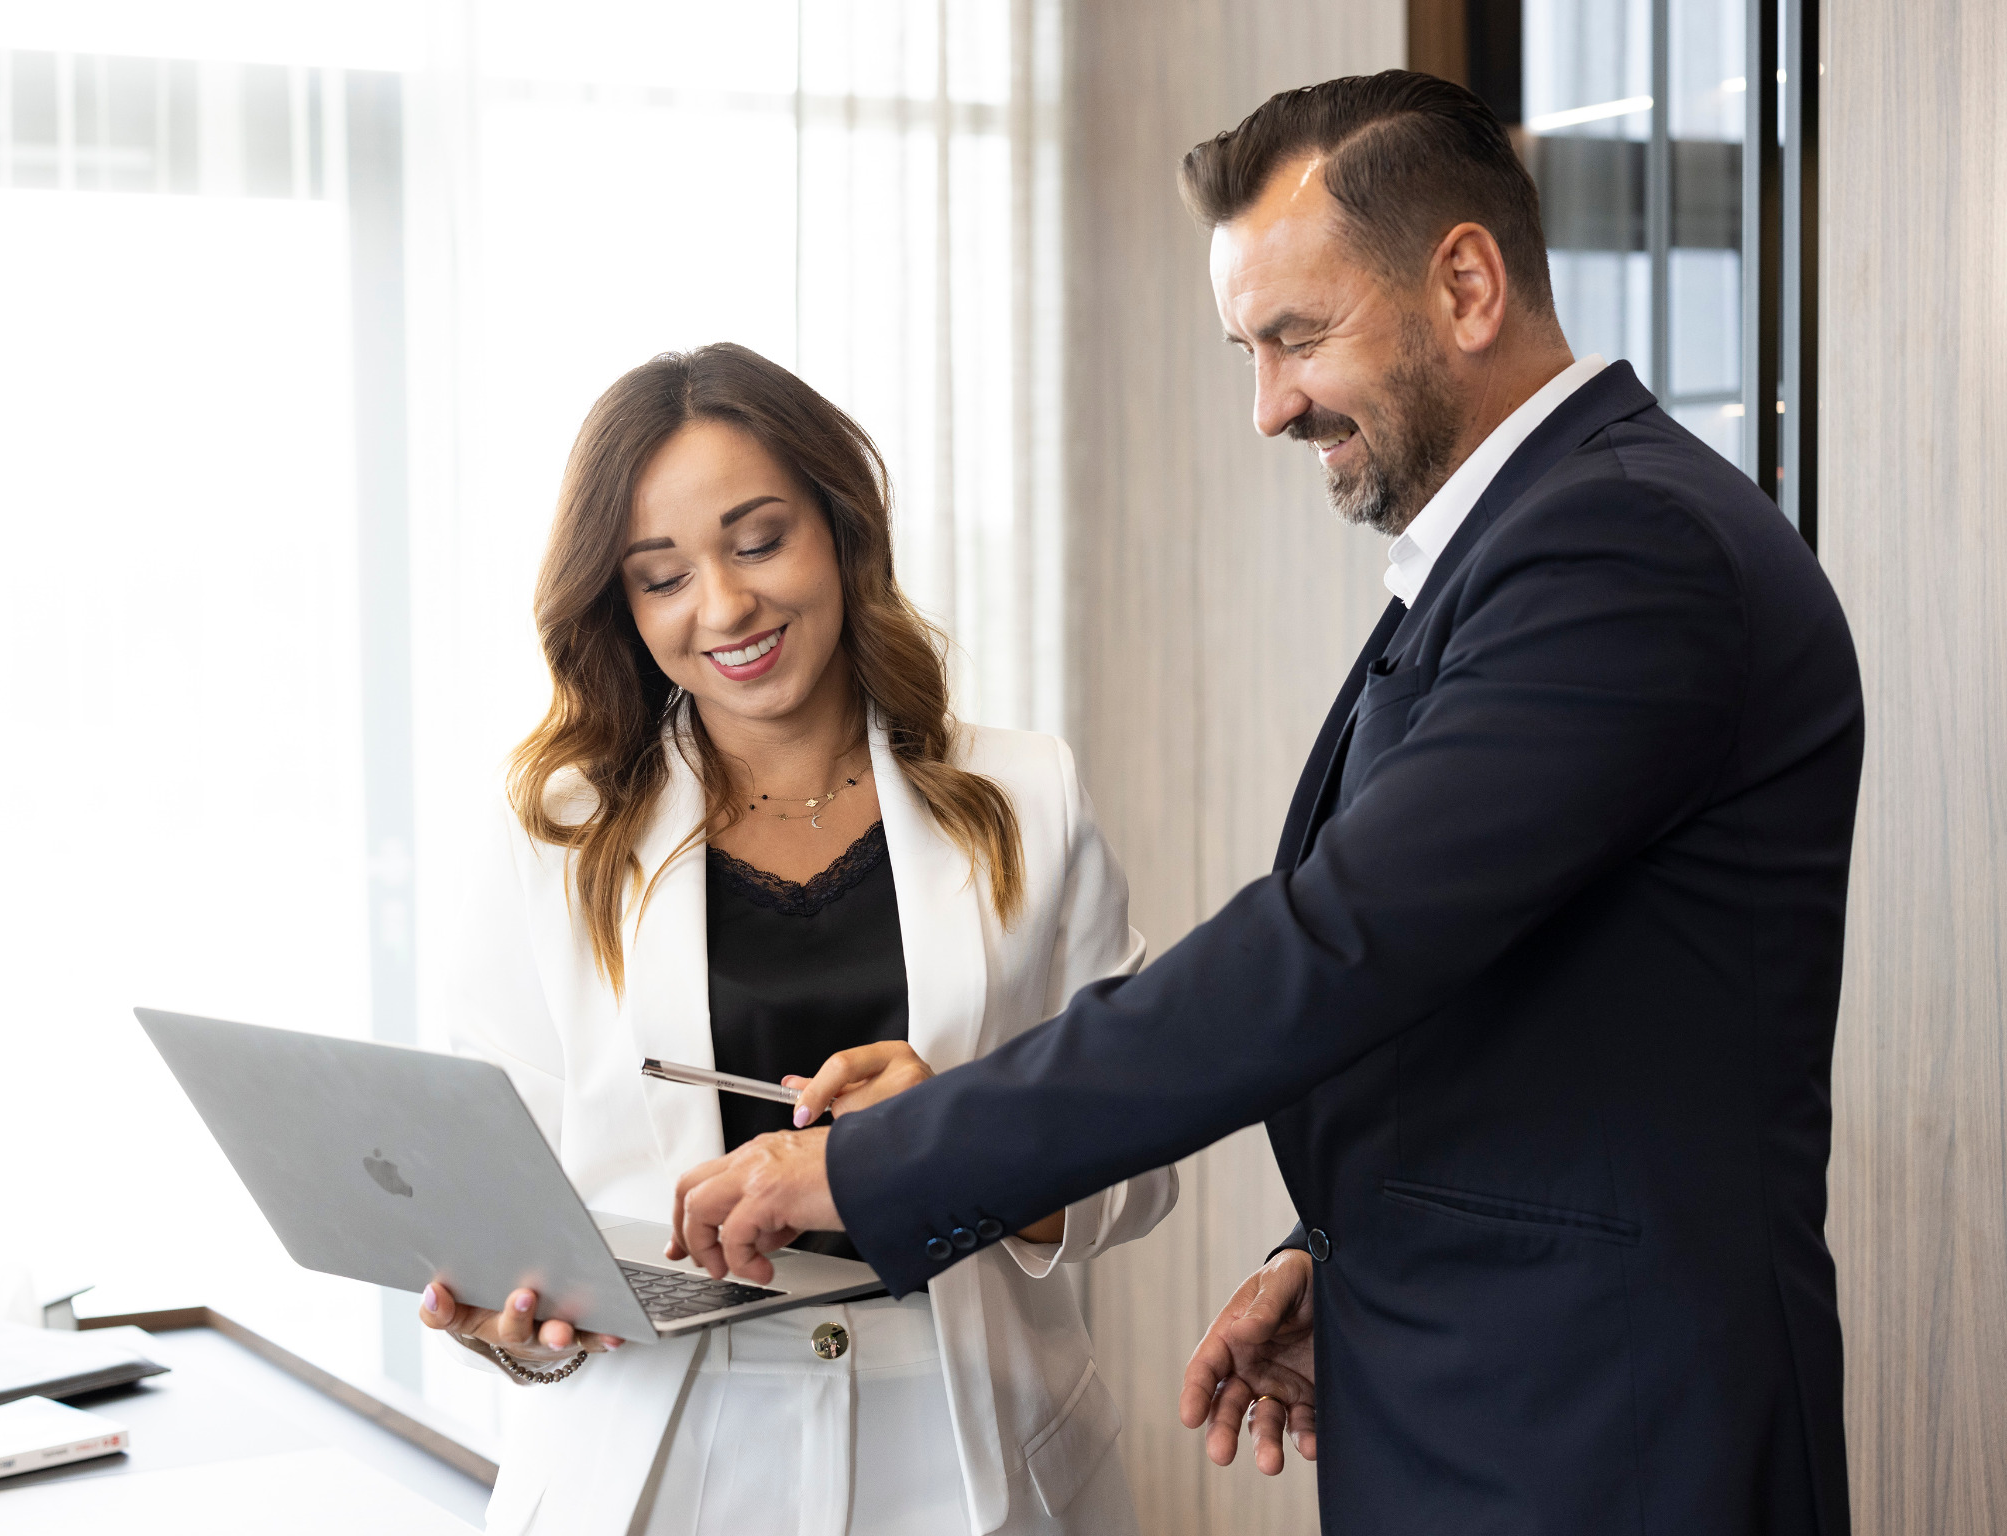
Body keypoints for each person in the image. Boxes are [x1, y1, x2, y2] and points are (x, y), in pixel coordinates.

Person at [670, 72, 1865, 1536]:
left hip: (1609, 1435)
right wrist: (1337, 1245)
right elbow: (1503, 998)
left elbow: (1334, 946)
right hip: (1494, 1391)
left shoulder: (1624, 550)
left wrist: (871, 1165)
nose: (1269, 405)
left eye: (1297, 337)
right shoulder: (1536, 540)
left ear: (1469, 284)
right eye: (1248, 348)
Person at [416, 343, 1177, 1536]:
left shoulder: (1028, 793)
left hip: (962, 1443)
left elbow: (1141, 1152)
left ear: (839, 527)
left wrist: (961, 1141)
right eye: (660, 576)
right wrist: (513, 1332)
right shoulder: (556, 835)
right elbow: (500, 1182)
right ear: (618, 603)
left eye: (758, 542)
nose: (723, 608)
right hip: (662, 1458)